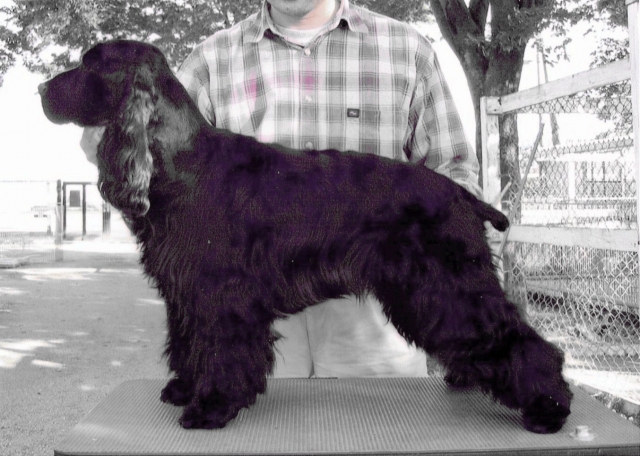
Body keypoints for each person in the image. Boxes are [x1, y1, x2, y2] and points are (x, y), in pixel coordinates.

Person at [81, 0, 482, 378]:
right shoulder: (208, 62)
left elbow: (453, 176)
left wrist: (463, 293)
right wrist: (114, 154)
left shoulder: (408, 50)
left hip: (377, 330)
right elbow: (167, 195)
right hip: (243, 335)